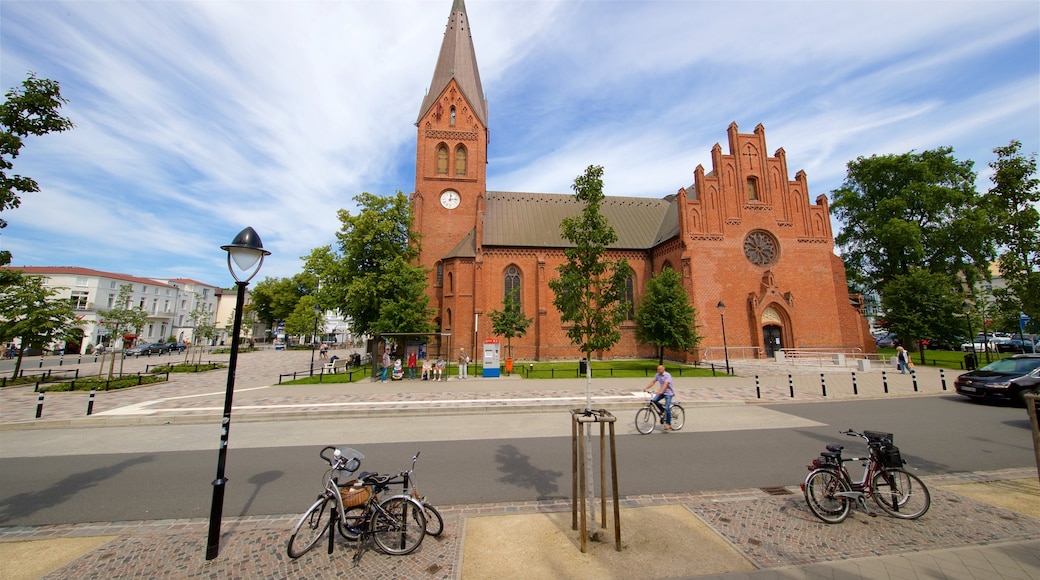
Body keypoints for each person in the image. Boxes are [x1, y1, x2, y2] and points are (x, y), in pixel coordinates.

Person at [644, 365, 675, 431]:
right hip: (662, 392)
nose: (658, 371)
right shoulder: (658, 375)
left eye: (659, 369)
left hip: (669, 393)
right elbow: (653, 382)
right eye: (657, 369)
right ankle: (662, 410)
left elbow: (665, 384)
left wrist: (660, 391)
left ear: (663, 369)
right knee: (654, 400)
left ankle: (668, 424)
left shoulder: (667, 375)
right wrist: (646, 387)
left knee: (667, 408)